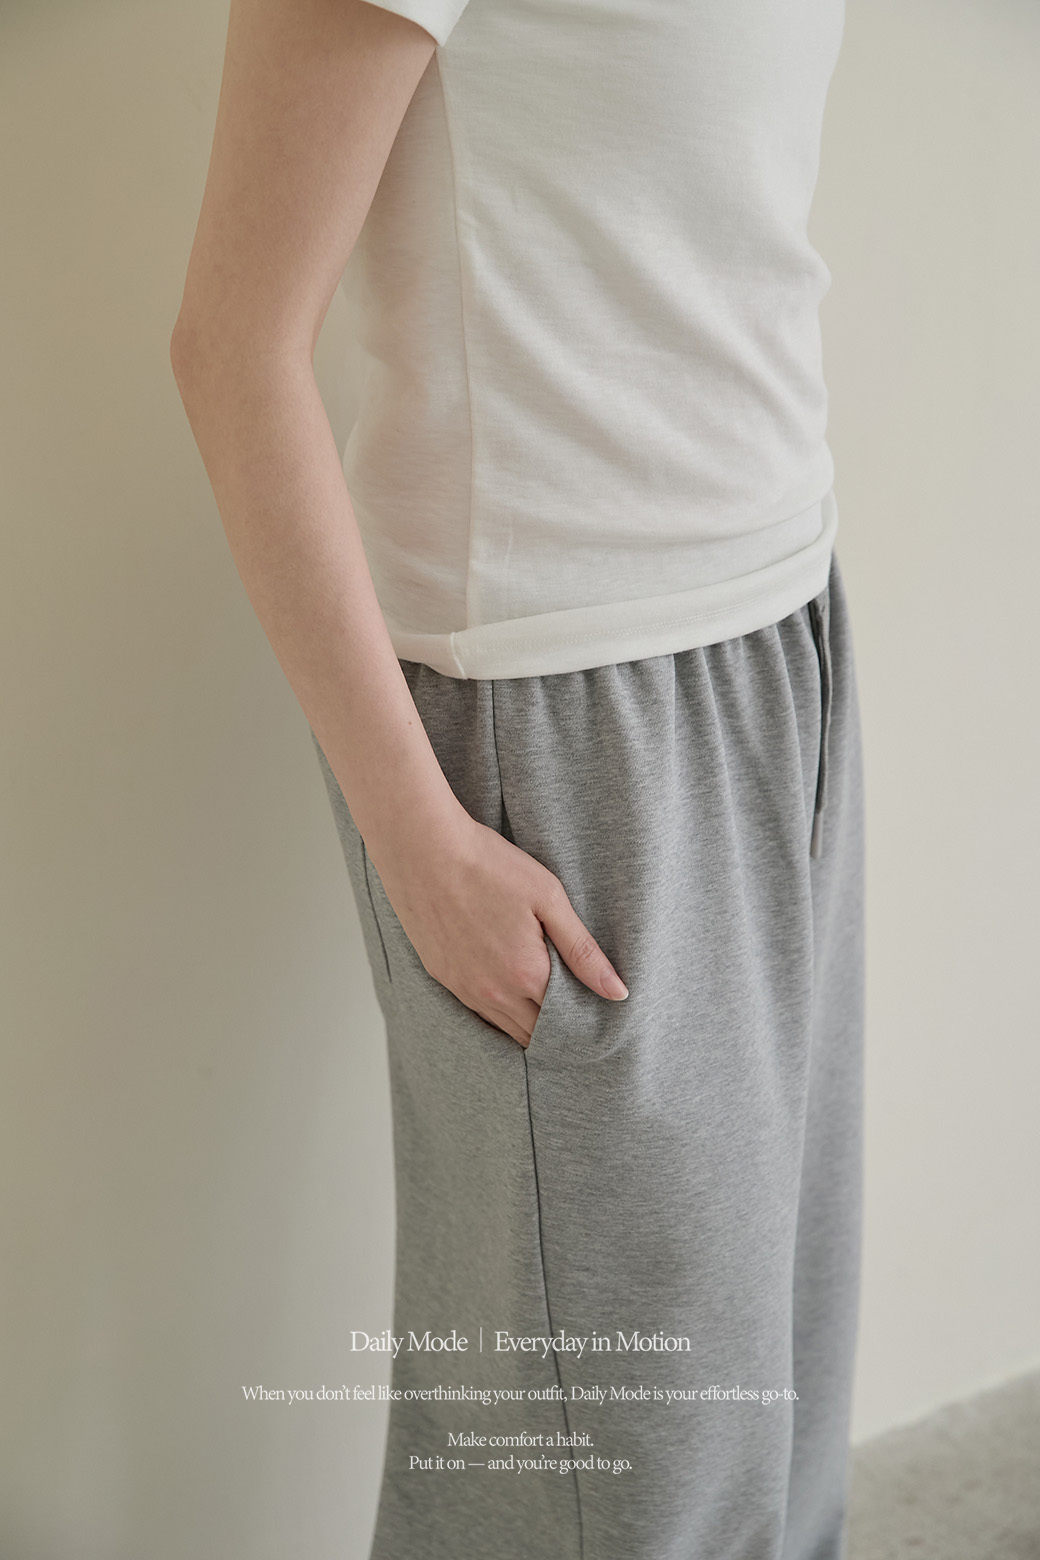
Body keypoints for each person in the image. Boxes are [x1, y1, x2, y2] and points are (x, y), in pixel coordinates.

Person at [170, 0, 865, 1556]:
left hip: (790, 627)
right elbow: (232, 349)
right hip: (565, 710)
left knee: (771, 1407)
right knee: (613, 1479)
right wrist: (415, 837)